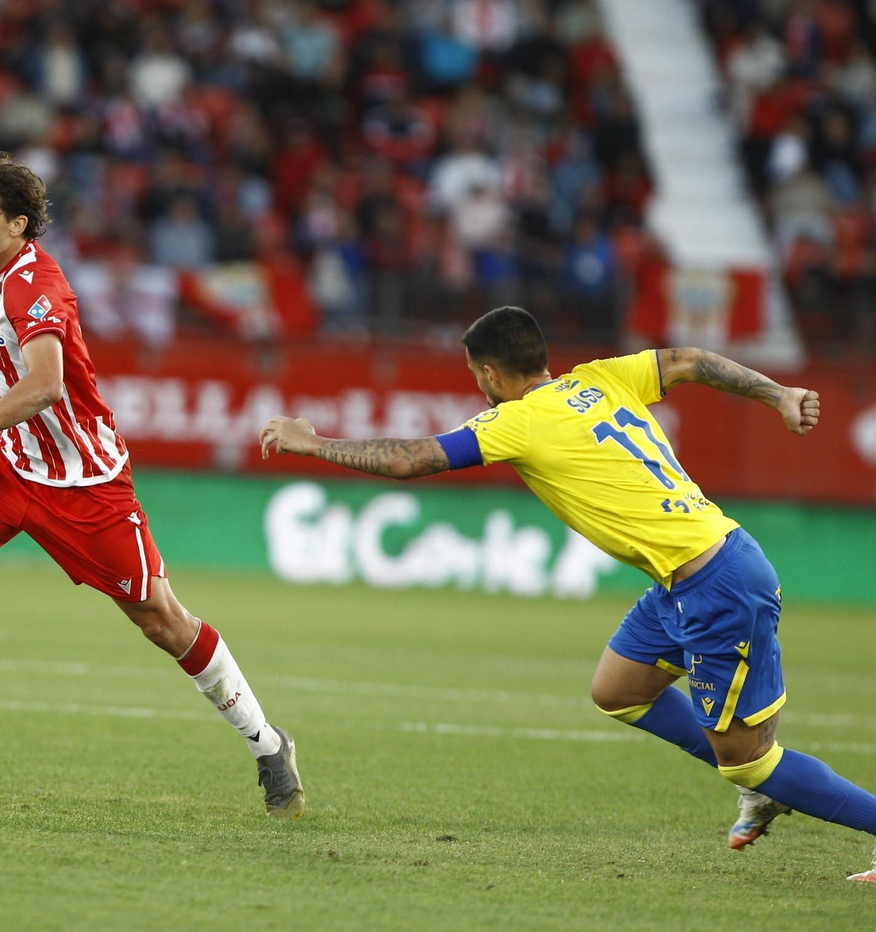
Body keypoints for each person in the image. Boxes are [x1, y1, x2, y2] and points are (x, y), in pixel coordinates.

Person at [259, 305, 876, 879]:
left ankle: (785, 790)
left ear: (492, 373)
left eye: (477, 375)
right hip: (689, 572)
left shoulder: (519, 420)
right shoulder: (603, 378)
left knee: (750, 757)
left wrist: (311, 443)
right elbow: (689, 361)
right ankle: (759, 783)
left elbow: (412, 459)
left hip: (715, 584)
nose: (479, 386)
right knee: (620, 689)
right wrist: (779, 394)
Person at [0, 152, 304, 818]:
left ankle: (269, 745)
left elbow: (44, 386)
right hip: (13, 468)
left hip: (84, 485)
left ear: (18, 225)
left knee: (163, 621)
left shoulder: (36, 285)